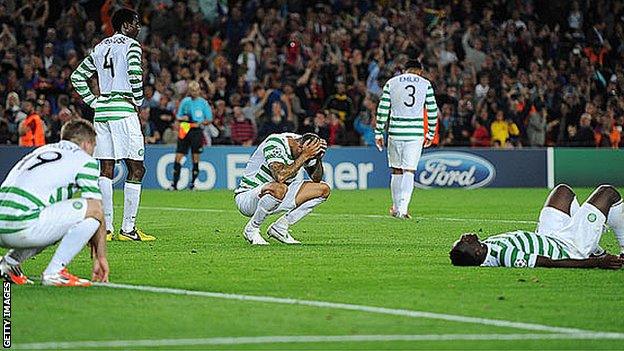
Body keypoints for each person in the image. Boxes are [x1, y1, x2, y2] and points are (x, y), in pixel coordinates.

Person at [70, 8, 154, 241]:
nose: (138, 27)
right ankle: (128, 229)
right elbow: (136, 76)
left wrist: (93, 101)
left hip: (102, 112)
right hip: (123, 111)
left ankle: (106, 229)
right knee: (137, 168)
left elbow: (77, 77)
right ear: (126, 25)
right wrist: (138, 101)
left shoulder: (100, 47)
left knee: (106, 169)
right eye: (136, 23)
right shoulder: (131, 46)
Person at [0, 119, 109, 286]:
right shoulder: (84, 160)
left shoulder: (41, 151)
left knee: (55, 218)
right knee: (93, 211)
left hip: (5, 224)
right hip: (20, 227)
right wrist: (100, 257)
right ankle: (55, 272)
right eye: (94, 146)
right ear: (87, 144)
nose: (93, 151)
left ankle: (10, 264)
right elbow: (96, 208)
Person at [449, 184, 624, 269]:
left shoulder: (485, 247)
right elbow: (550, 263)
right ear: (478, 252)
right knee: (607, 193)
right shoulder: (505, 255)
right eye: (464, 242)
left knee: (562, 192)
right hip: (568, 248)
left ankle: (591, 242)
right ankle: (595, 245)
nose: (464, 237)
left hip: (547, 237)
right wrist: (598, 263)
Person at [234, 133, 330, 245]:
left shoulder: (305, 146)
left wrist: (318, 157)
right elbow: (280, 176)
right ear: (299, 146)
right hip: (248, 197)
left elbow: (316, 178)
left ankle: (280, 228)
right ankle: (252, 229)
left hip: (278, 196)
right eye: (305, 154)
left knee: (323, 189)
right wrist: (304, 156)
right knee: (279, 187)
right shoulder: (275, 142)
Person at [375, 59, 438, 219]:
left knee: (396, 170)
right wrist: (430, 133)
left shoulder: (392, 82)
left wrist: (378, 132)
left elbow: (383, 108)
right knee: (409, 170)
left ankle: (396, 208)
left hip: (395, 132)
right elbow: (432, 110)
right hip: (415, 133)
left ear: (405, 70)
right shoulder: (425, 84)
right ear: (420, 71)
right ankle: (403, 209)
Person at [171, 81, 213, 190]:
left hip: (196, 130)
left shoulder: (203, 103)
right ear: (189, 91)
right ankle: (174, 184)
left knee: (195, 157)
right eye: (192, 90)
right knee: (178, 156)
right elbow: (178, 116)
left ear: (199, 90)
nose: (195, 92)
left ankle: (193, 184)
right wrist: (183, 118)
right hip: (185, 129)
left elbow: (209, 119)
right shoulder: (185, 102)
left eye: (196, 90)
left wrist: (201, 123)